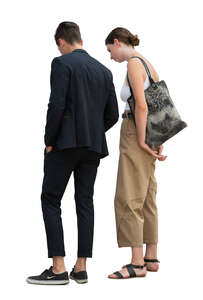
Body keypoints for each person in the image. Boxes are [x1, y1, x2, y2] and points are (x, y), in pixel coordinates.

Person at [26, 21, 119, 285]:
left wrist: (49, 140)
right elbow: (111, 114)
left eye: (59, 45)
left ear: (61, 42)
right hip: (92, 147)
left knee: (50, 199)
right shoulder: (103, 71)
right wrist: (92, 130)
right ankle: (81, 267)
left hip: (64, 144)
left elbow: (56, 105)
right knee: (85, 202)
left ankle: (58, 268)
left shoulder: (61, 63)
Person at [105, 27, 167, 279]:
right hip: (153, 131)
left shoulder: (132, 63)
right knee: (147, 196)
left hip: (135, 130)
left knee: (129, 195)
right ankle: (151, 258)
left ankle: (136, 263)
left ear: (117, 42)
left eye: (110, 50)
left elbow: (141, 105)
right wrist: (157, 138)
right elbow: (160, 101)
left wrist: (141, 140)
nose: (110, 56)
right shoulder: (148, 63)